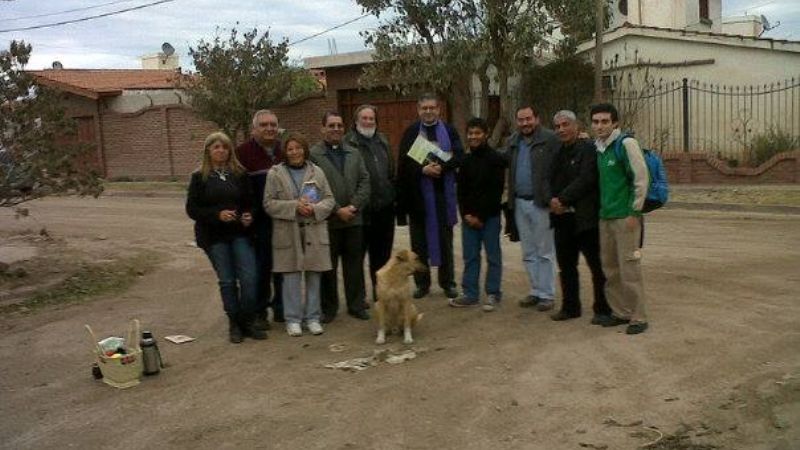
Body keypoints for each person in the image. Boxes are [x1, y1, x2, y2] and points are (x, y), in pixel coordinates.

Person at [186, 131, 266, 343]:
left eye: (224, 147)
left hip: (240, 233)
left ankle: (248, 319)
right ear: (208, 151)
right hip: (214, 237)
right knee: (228, 281)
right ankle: (235, 323)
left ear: (230, 150)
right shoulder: (199, 177)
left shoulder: (240, 174)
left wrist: (250, 215)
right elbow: (192, 209)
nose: (221, 151)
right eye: (216, 147)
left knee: (249, 278)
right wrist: (216, 215)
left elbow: (251, 202)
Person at [264, 134, 335, 336]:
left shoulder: (317, 172)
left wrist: (314, 209)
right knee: (291, 276)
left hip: (313, 228)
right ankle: (293, 319)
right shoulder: (275, 173)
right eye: (290, 149)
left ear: (305, 149)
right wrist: (294, 206)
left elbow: (329, 200)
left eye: (298, 148)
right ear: (285, 152)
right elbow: (268, 204)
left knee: (314, 274)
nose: (295, 152)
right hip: (288, 230)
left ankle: (312, 317)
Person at [396, 93, 464, 300]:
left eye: (432, 107)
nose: (428, 111)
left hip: (442, 197)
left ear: (438, 109)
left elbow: (459, 156)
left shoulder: (450, 131)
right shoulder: (411, 132)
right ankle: (422, 284)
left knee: (445, 244)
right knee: (419, 245)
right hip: (419, 199)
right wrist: (422, 170)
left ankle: (448, 283)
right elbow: (404, 165)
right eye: (424, 108)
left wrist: (441, 168)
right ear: (418, 110)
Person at [590, 103, 650, 335]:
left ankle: (638, 316)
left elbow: (641, 178)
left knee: (629, 268)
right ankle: (620, 312)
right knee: (610, 268)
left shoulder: (626, 144)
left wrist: (635, 211)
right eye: (596, 121)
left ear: (615, 123)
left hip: (625, 217)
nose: (600, 126)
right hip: (605, 217)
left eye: (605, 121)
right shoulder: (599, 148)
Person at [548, 110, 612, 323]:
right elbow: (549, 180)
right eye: (557, 126)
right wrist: (552, 201)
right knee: (566, 267)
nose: (561, 129)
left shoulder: (588, 150)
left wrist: (563, 199)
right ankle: (570, 307)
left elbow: (586, 179)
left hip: (585, 220)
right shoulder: (556, 152)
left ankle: (602, 309)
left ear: (576, 126)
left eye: (565, 125)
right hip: (562, 220)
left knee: (597, 267)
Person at [310, 112, 371, 322]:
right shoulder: (313, 155)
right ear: (322, 128)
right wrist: (337, 209)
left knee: (354, 266)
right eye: (331, 125)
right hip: (328, 221)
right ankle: (329, 308)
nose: (336, 129)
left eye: (339, 125)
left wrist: (353, 206)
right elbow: (312, 188)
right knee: (329, 267)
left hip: (354, 219)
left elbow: (365, 181)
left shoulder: (354, 153)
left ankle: (356, 305)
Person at [504, 105, 560, 311]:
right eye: (521, 120)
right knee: (528, 251)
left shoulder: (551, 139)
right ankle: (536, 290)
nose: (525, 123)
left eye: (528, 119)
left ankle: (547, 294)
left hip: (542, 203)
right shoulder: (512, 142)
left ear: (537, 118)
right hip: (519, 202)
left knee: (545, 251)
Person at [451, 117, 506, 312]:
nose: (473, 137)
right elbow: (461, 192)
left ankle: (493, 293)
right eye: (471, 133)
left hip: (489, 218)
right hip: (468, 219)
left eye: (477, 133)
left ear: (486, 134)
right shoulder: (465, 161)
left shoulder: (496, 159)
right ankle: (470, 294)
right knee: (470, 257)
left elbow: (495, 192)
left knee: (493, 256)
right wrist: (466, 214)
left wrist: (479, 217)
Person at [235, 110, 283, 329]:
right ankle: (260, 312)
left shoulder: (285, 150)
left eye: (273, 124)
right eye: (264, 125)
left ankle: (282, 309)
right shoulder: (243, 153)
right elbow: (236, 189)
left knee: (284, 267)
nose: (270, 128)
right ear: (254, 129)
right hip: (258, 223)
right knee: (262, 269)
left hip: (284, 220)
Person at [343, 104, 396, 304]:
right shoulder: (347, 143)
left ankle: (380, 296)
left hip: (384, 209)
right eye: (364, 118)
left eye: (371, 118)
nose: (368, 122)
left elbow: (390, 171)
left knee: (382, 257)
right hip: (360, 211)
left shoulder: (382, 141)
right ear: (356, 121)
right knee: (356, 258)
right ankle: (357, 301)